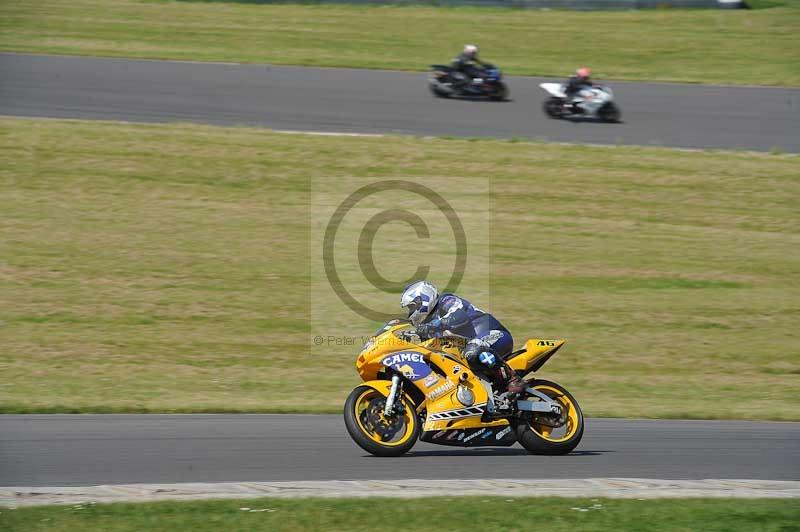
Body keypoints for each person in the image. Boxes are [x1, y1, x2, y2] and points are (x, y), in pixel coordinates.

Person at [400, 280, 525, 403]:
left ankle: (512, 379)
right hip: (469, 353)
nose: (411, 312)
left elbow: (459, 317)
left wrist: (434, 325)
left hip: (494, 334)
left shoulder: (446, 301)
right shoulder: (427, 326)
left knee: (472, 350)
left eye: (412, 306)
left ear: (424, 298)